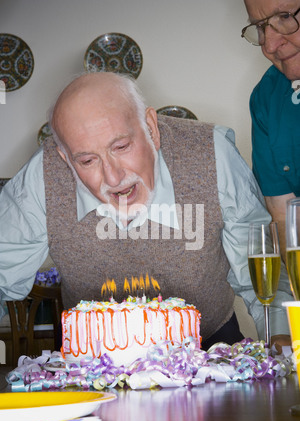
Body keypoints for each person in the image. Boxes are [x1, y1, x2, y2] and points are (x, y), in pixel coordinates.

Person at [0, 72, 293, 351]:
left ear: (151, 127)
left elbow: (259, 269)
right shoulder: (41, 176)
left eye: (122, 146)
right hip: (90, 365)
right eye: (88, 161)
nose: (113, 178)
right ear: (65, 156)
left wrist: (282, 334)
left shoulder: (212, 153)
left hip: (212, 349)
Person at [242, 0, 300, 259]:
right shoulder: (268, 96)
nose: (269, 45)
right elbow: (285, 218)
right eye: (261, 27)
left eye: (286, 17)